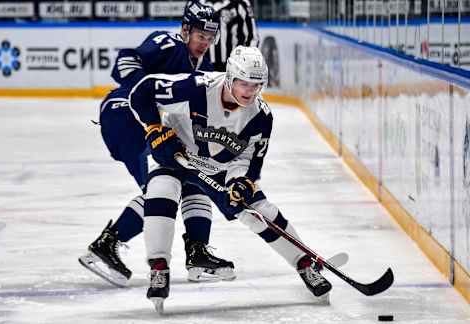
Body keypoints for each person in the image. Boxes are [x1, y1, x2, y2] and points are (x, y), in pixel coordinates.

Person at [126, 46, 332, 311]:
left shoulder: (260, 116)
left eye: (256, 85)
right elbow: (141, 91)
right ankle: (158, 267)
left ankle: (305, 264)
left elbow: (251, 159)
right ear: (230, 77)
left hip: (218, 168)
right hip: (174, 153)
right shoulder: (196, 88)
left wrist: (241, 182)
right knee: (160, 190)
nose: (249, 91)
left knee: (259, 211)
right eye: (244, 83)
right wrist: (154, 127)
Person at [78, 0, 235, 287]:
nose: (205, 43)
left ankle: (197, 251)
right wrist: (147, 98)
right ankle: (105, 245)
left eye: (211, 38)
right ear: (185, 29)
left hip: (152, 128)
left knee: (189, 180)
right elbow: (125, 60)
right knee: (162, 188)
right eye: (201, 36)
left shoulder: (206, 68)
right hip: (125, 115)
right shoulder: (168, 43)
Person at [201, 0, 259, 71]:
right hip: (201, 68)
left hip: (232, 68)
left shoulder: (240, 3)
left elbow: (253, 37)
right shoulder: (196, 3)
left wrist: (244, 64)